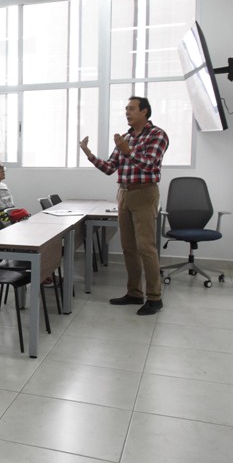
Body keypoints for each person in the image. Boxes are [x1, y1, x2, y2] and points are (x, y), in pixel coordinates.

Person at [80, 95, 169, 316]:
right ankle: (134, 293)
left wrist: (127, 150)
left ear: (145, 111)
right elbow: (111, 168)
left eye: (132, 109)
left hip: (145, 193)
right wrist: (89, 154)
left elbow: (150, 165)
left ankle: (155, 298)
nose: (127, 113)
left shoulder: (157, 135)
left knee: (145, 247)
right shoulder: (126, 137)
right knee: (128, 246)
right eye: (126, 109)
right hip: (124, 193)